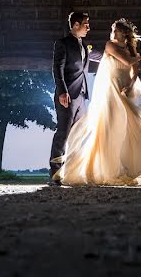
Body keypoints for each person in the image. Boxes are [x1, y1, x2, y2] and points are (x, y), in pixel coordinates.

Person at [53, 18, 141, 186]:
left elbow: (134, 70)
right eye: (112, 30)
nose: (112, 33)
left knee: (130, 127)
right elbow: (129, 62)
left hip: (124, 89)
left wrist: (130, 83)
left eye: (115, 31)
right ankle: (104, 169)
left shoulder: (129, 48)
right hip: (111, 90)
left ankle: (136, 168)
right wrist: (137, 58)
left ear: (123, 34)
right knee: (110, 127)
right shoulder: (110, 45)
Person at [48, 11, 102, 185]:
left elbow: (97, 57)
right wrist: (62, 91)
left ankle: (74, 172)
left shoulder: (85, 45)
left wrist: (115, 53)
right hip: (67, 96)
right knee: (63, 133)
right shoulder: (62, 43)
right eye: (86, 24)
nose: (89, 28)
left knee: (79, 134)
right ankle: (55, 175)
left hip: (82, 97)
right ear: (76, 25)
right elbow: (58, 68)